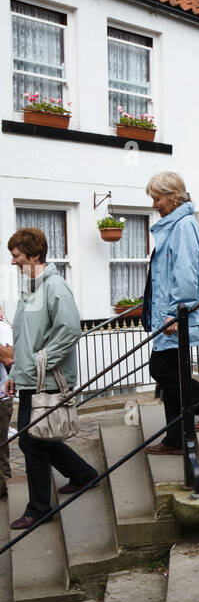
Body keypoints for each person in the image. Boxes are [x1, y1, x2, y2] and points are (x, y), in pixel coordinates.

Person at [4, 227, 99, 529]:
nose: (13, 262)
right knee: (37, 438)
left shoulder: (54, 286)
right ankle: (83, 474)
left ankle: (39, 508)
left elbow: (70, 330)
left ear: (34, 255)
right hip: (31, 377)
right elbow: (27, 336)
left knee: (32, 441)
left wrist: (39, 363)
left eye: (17, 256)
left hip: (45, 379)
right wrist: (17, 373)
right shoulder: (31, 286)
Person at [142, 171, 199, 456]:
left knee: (162, 369)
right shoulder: (176, 225)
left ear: (174, 196)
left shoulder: (182, 225)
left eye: (157, 199)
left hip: (175, 317)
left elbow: (185, 274)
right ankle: (175, 438)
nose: (155, 204)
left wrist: (172, 313)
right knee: (172, 376)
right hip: (170, 316)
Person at [0, 304, 13, 501]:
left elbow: (10, 358)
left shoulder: (2, 328)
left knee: (0, 449)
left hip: (0, 399)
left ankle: (4, 488)